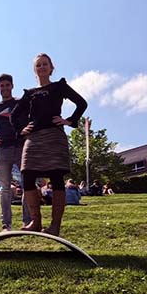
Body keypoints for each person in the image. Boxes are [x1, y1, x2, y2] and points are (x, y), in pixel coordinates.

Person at [11, 53, 87, 235]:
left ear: (51, 68)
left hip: (54, 137)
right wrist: (21, 129)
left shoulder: (59, 87)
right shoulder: (29, 94)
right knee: (27, 175)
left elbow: (81, 103)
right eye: (38, 65)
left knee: (56, 177)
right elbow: (14, 115)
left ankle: (55, 226)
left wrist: (69, 120)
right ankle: (35, 222)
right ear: (34, 70)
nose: (42, 67)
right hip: (34, 139)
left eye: (45, 64)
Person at [0, 73, 31, 231]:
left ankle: (28, 222)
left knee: (28, 185)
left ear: (12, 86)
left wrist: (30, 131)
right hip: (3, 151)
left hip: (22, 148)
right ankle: (6, 225)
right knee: (5, 188)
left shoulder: (20, 102)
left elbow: (32, 118)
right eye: (2, 85)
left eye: (7, 85)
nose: (4, 88)